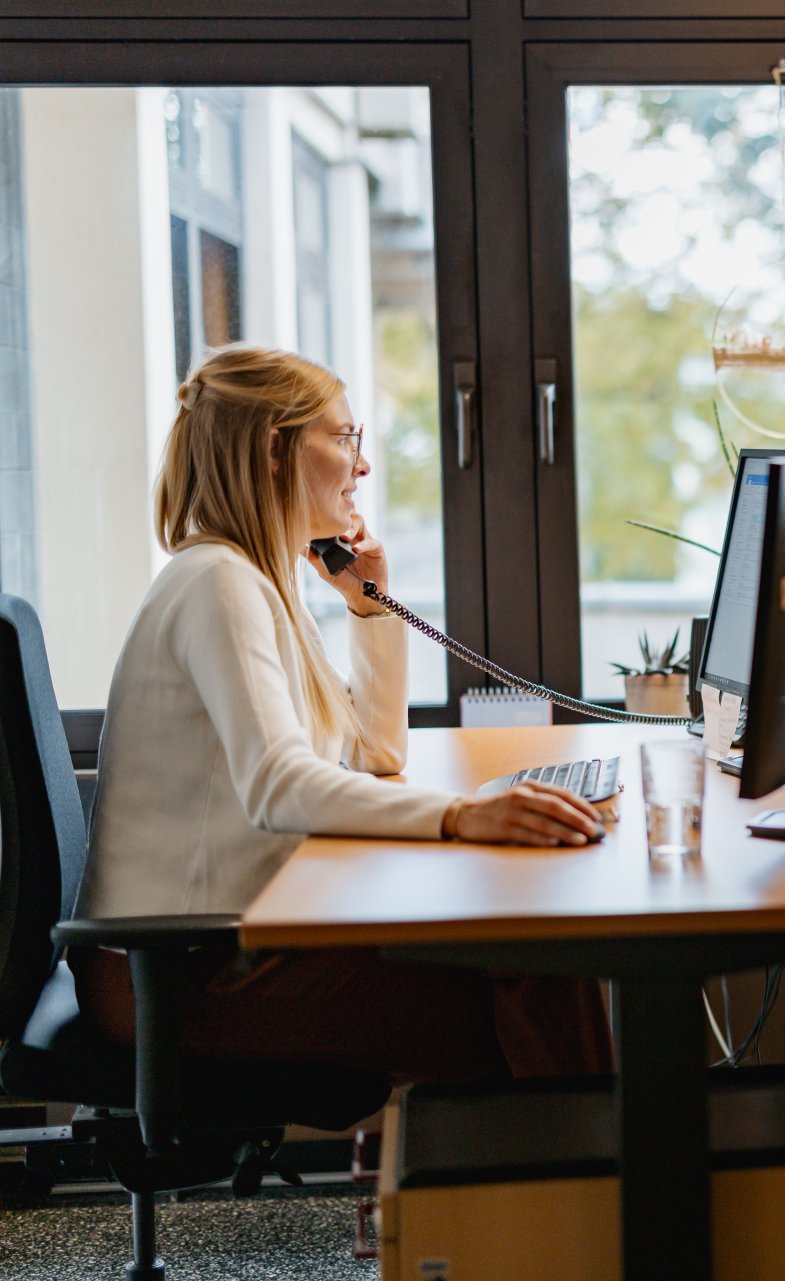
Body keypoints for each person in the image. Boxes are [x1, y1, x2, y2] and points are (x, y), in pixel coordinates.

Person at [69, 344, 613, 1084]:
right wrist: (462, 815)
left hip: (222, 949)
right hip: (177, 976)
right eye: (345, 438)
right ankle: (589, 1181)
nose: (363, 467)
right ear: (273, 449)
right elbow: (279, 786)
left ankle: (580, 1180)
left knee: (537, 954)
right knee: (526, 980)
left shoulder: (264, 584)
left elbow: (375, 754)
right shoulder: (218, 585)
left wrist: (370, 611)